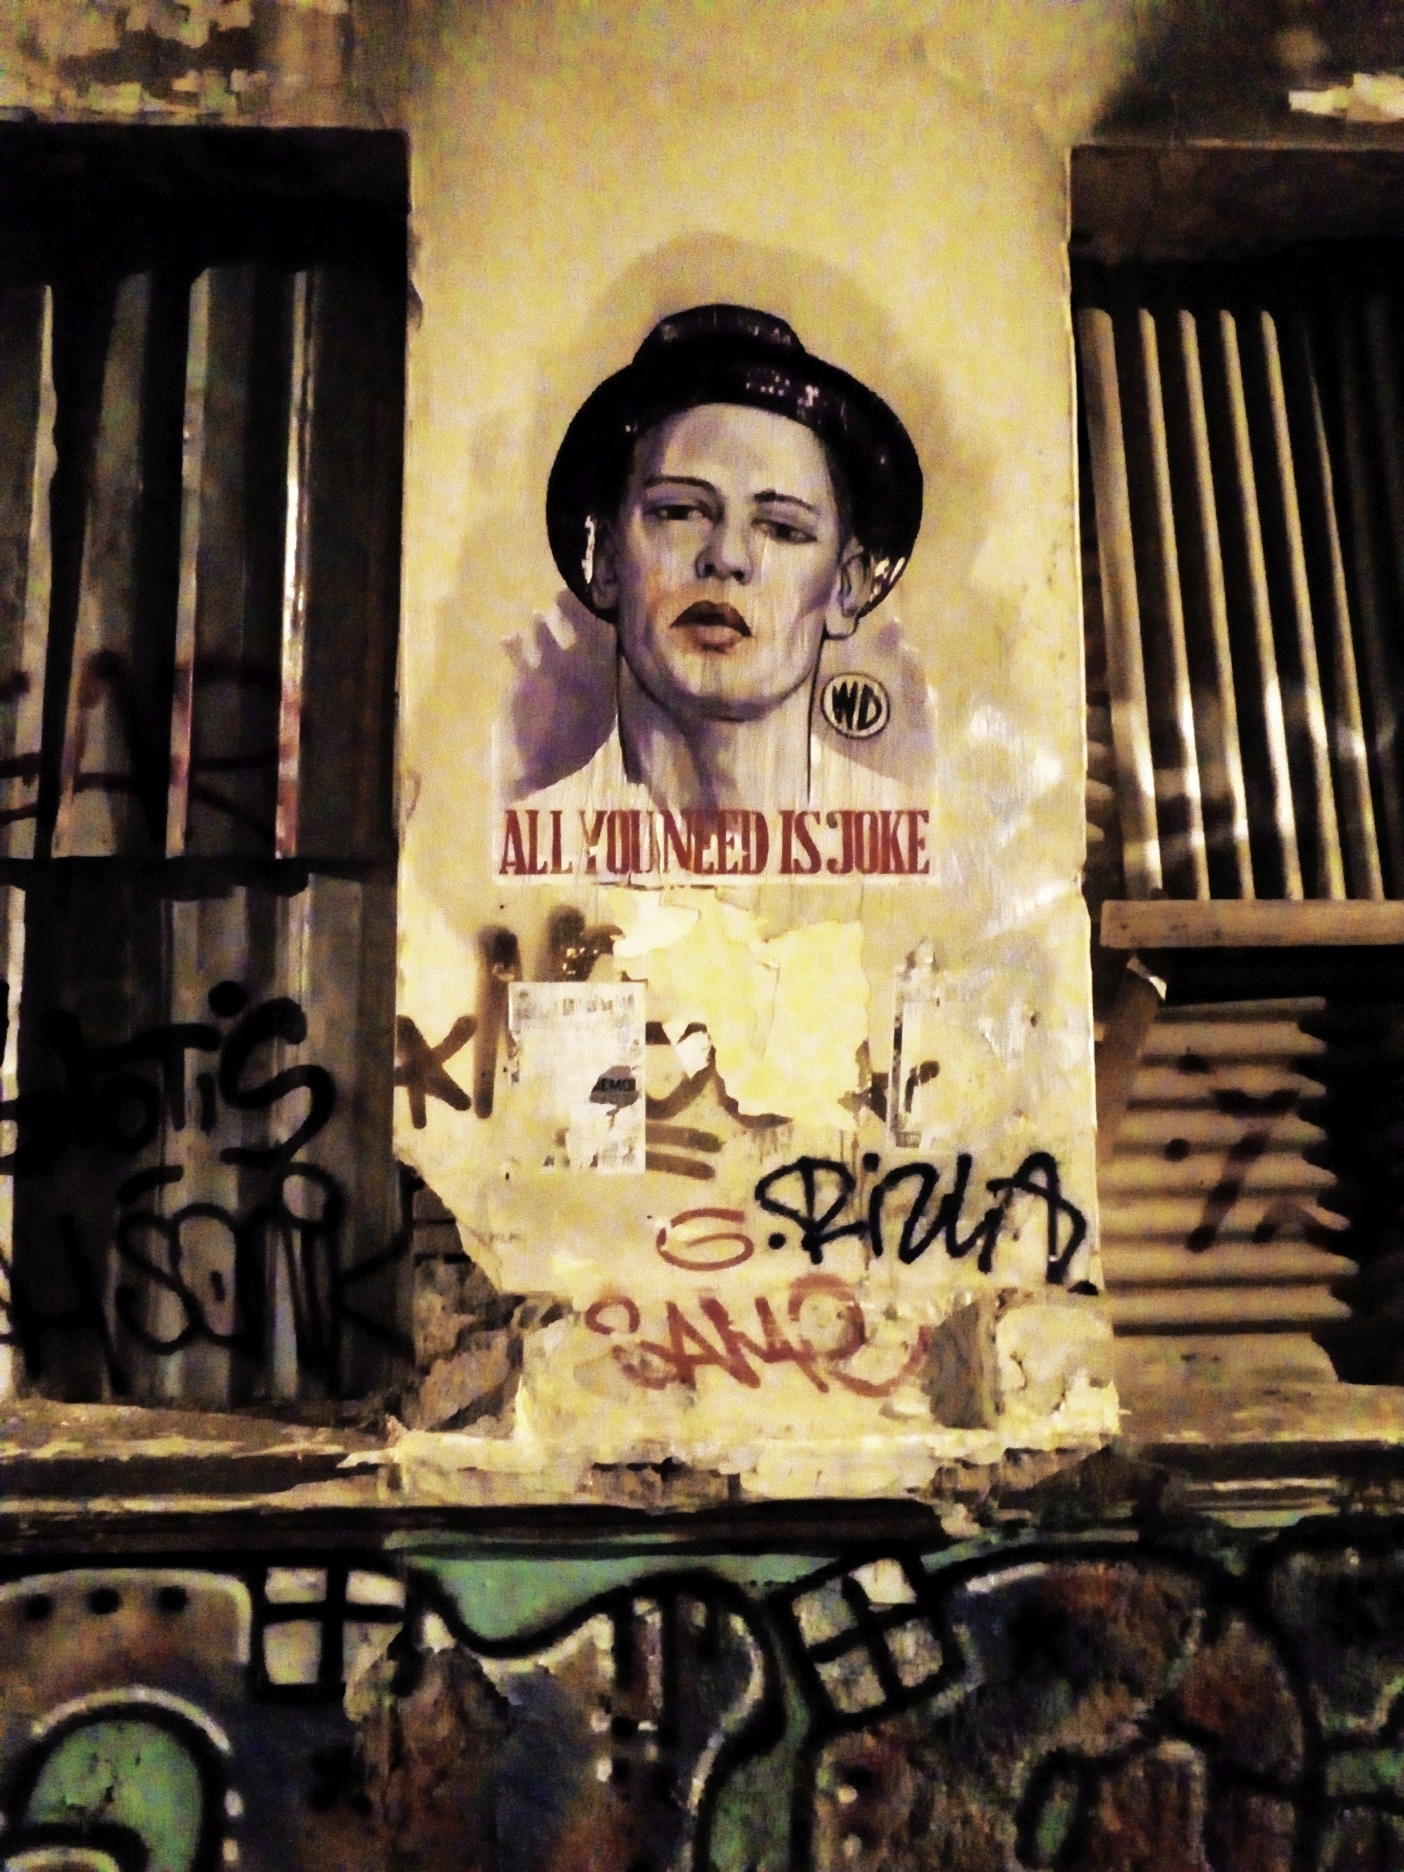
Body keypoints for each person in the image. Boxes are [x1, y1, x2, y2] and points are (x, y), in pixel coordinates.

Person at [519, 304, 924, 814]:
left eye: (783, 528)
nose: (727, 558)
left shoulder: (911, 833)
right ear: (604, 560)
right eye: (679, 512)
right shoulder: (535, 832)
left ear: (846, 589)